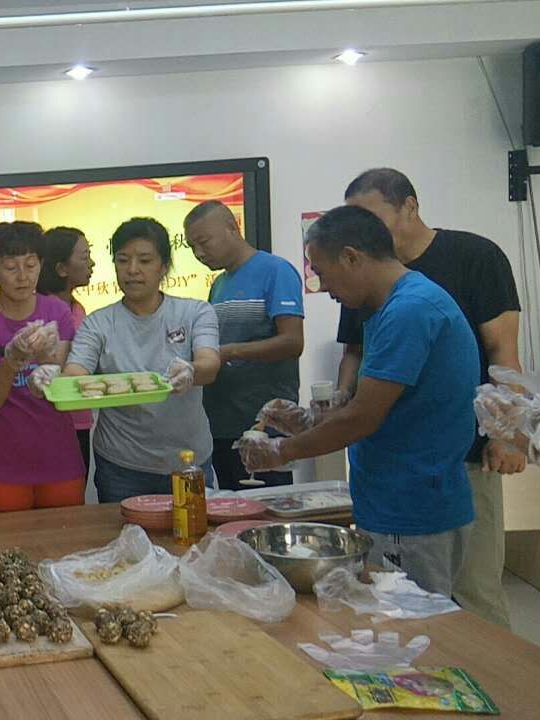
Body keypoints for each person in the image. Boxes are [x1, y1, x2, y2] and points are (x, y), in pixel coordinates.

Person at [241, 205, 478, 597]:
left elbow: (363, 418)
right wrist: (307, 423)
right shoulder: (390, 307)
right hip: (396, 498)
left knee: (411, 621)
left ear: (351, 257)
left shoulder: (409, 310)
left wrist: (281, 452)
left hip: (411, 507)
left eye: (322, 272)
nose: (322, 286)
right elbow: (385, 407)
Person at [335, 169, 521, 626]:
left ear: (410, 206)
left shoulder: (474, 256)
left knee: (474, 588)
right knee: (399, 601)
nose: (362, 231)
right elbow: (355, 351)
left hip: (462, 452)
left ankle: (492, 671)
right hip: (393, 464)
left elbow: (503, 351)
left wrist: (506, 435)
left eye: (371, 217)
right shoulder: (362, 269)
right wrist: (336, 404)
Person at [56, 217, 221, 502]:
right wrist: (52, 379)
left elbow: (210, 364)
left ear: (164, 267)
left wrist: (191, 371)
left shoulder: (195, 312)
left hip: (188, 460)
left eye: (145, 260)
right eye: (123, 260)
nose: (132, 270)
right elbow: (76, 372)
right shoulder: (98, 323)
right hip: (121, 465)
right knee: (124, 532)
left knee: (192, 529)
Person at [0, 221, 85, 512]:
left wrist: (46, 361)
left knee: (67, 533)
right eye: (11, 267)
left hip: (59, 457)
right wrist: (12, 360)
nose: (23, 276)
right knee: (7, 537)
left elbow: (60, 388)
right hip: (2, 463)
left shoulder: (57, 311)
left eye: (31, 265)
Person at [185, 201, 304, 490]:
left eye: (204, 242)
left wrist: (229, 352)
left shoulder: (276, 270)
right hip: (221, 423)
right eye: (191, 247)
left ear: (232, 227)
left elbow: (293, 342)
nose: (199, 253)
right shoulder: (218, 284)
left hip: (263, 425)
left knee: (267, 507)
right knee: (230, 507)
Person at [37, 226, 97, 471]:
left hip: (79, 417)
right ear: (61, 268)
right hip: (51, 422)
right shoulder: (42, 310)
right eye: (84, 257)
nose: (92, 263)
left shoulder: (76, 307)